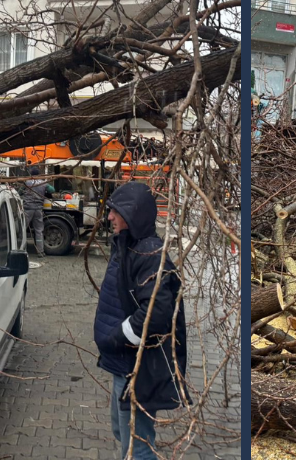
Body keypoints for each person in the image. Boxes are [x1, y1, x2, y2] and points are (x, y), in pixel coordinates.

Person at [93, 182, 187, 460]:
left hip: (135, 366)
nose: (109, 216)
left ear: (133, 214)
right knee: (123, 434)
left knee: (137, 447)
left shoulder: (148, 254)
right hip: (121, 364)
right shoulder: (127, 245)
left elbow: (156, 313)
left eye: (116, 211)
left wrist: (117, 338)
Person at [22, 167, 54, 256]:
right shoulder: (43, 183)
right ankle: (40, 251)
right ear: (39, 175)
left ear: (31, 174)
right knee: (39, 230)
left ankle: (22, 251)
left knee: (23, 229)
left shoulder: (27, 182)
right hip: (38, 209)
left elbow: (20, 192)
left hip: (28, 208)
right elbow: (52, 190)